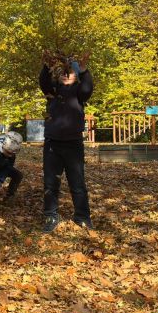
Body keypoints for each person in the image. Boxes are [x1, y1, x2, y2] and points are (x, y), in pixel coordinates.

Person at [38, 55, 94, 233]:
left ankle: (82, 217)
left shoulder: (79, 92)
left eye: (69, 72)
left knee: (77, 183)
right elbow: (44, 83)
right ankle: (51, 216)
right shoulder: (53, 91)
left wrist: (84, 71)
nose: (65, 75)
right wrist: (47, 66)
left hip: (73, 144)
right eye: (62, 72)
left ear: (76, 75)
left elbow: (87, 88)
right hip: (53, 144)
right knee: (50, 183)